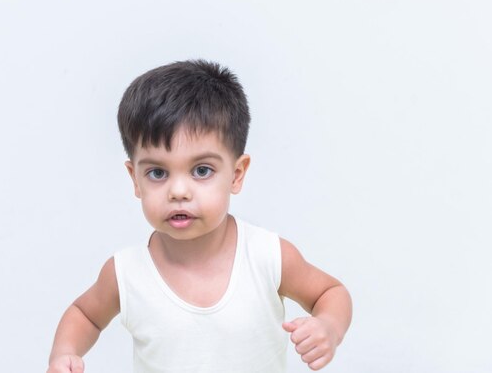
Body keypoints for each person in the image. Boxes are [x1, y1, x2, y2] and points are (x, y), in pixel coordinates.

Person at [47, 60, 352, 373]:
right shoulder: (126, 273)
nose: (178, 191)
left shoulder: (267, 257)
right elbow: (84, 314)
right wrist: (64, 353)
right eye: (157, 172)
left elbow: (330, 293)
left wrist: (328, 325)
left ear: (236, 174)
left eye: (201, 170)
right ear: (135, 179)